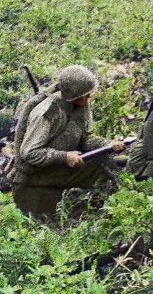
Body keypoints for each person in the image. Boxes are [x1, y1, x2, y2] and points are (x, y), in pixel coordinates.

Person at [7, 64, 127, 219]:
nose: (87, 98)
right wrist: (65, 156)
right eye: (84, 95)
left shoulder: (80, 105)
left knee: (105, 161)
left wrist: (107, 145)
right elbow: (29, 153)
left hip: (56, 169)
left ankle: (107, 210)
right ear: (72, 95)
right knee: (41, 221)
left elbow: (87, 139)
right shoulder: (48, 113)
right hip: (34, 178)